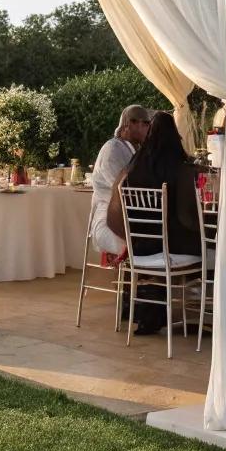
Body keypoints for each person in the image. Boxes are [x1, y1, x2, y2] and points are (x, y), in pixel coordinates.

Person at [106, 111, 201, 334]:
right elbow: (189, 217)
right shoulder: (181, 168)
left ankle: (139, 310)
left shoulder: (134, 166)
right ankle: (211, 311)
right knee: (213, 244)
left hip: (140, 246)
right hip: (168, 248)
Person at [88, 105, 152, 256]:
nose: (145, 128)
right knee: (142, 247)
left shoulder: (138, 149)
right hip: (108, 220)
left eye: (147, 124)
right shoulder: (112, 149)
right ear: (128, 124)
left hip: (135, 218)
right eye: (145, 124)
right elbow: (125, 190)